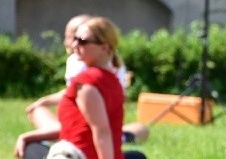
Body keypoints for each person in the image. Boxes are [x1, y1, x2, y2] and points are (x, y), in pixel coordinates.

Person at [14, 17, 148, 159]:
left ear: (104, 48)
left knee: (31, 148)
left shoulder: (86, 83)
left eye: (82, 41)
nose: (74, 44)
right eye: (74, 39)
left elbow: (102, 132)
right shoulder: (114, 81)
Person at [25, 14, 149, 144]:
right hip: (104, 130)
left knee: (37, 111)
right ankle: (121, 138)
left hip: (82, 134)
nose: (70, 43)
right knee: (141, 130)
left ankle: (54, 138)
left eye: (76, 39)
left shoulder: (81, 70)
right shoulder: (115, 64)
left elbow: (90, 120)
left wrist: (42, 103)